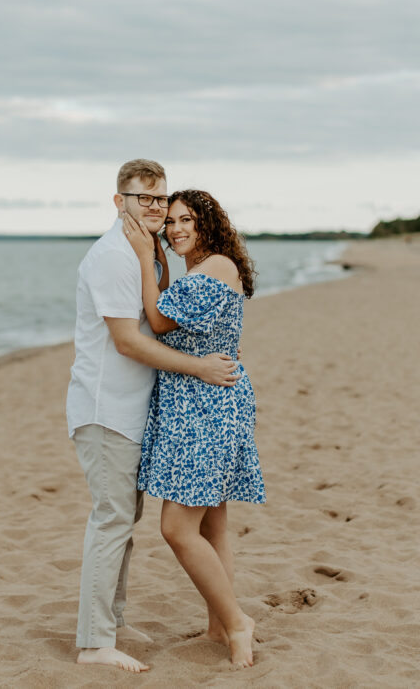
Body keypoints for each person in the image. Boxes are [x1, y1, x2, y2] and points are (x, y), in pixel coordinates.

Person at [66, 160, 240, 674]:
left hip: (135, 411)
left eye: (161, 199)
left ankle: (111, 624)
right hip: (106, 409)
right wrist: (200, 368)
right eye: (144, 199)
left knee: (124, 521)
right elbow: (129, 340)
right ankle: (95, 643)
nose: (157, 208)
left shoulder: (148, 253)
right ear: (119, 202)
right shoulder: (113, 257)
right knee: (112, 521)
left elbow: (161, 316)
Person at [123, 188, 265, 669]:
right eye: (172, 223)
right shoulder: (199, 270)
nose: (178, 228)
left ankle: (237, 620)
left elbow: (159, 321)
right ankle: (219, 624)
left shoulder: (217, 266)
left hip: (207, 406)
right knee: (212, 523)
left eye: (188, 220)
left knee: (177, 527)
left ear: (209, 224)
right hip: (200, 402)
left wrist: (146, 255)